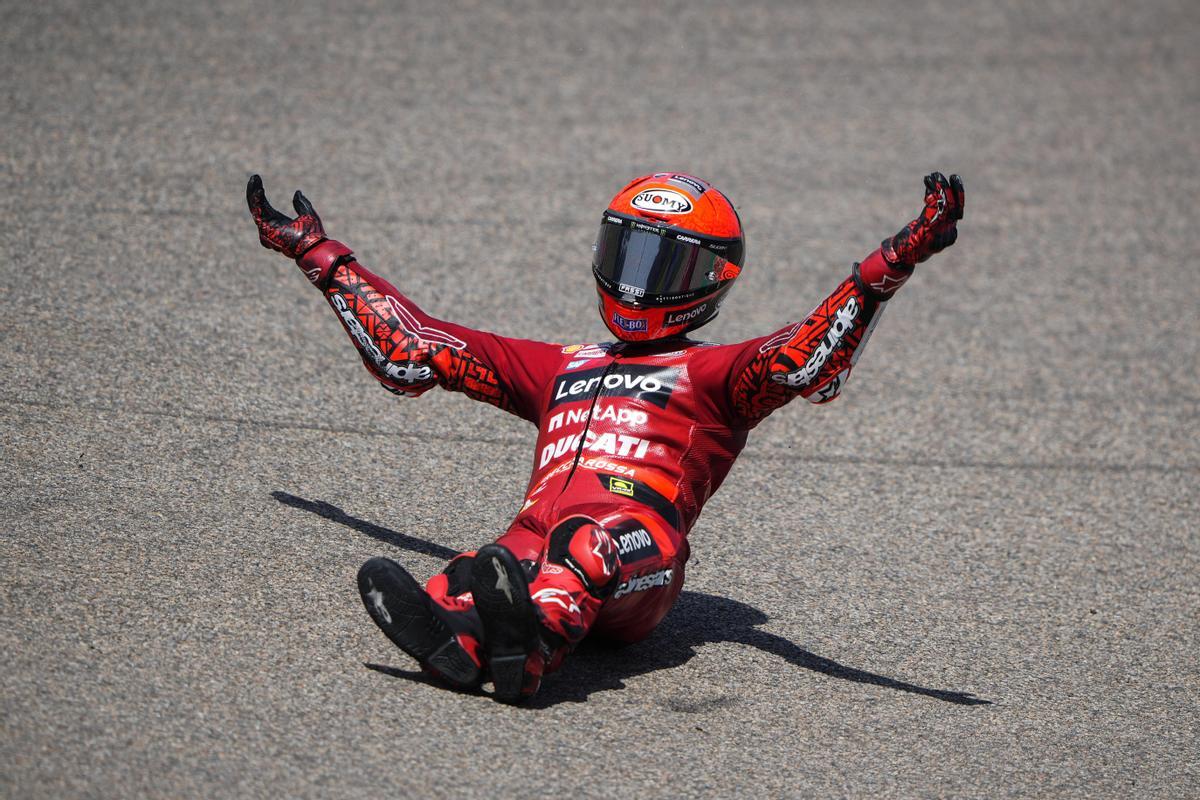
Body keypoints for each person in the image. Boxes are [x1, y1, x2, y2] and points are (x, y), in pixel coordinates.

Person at [247, 170, 964, 703]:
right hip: (532, 542)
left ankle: (532, 652)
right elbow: (416, 348)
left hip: (638, 558)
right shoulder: (561, 366)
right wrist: (318, 254)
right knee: (475, 568)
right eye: (628, 254)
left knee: (582, 545)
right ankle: (463, 637)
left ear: (711, 280)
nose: (639, 281)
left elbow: (804, 358)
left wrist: (888, 263)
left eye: (667, 265)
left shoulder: (714, 375)